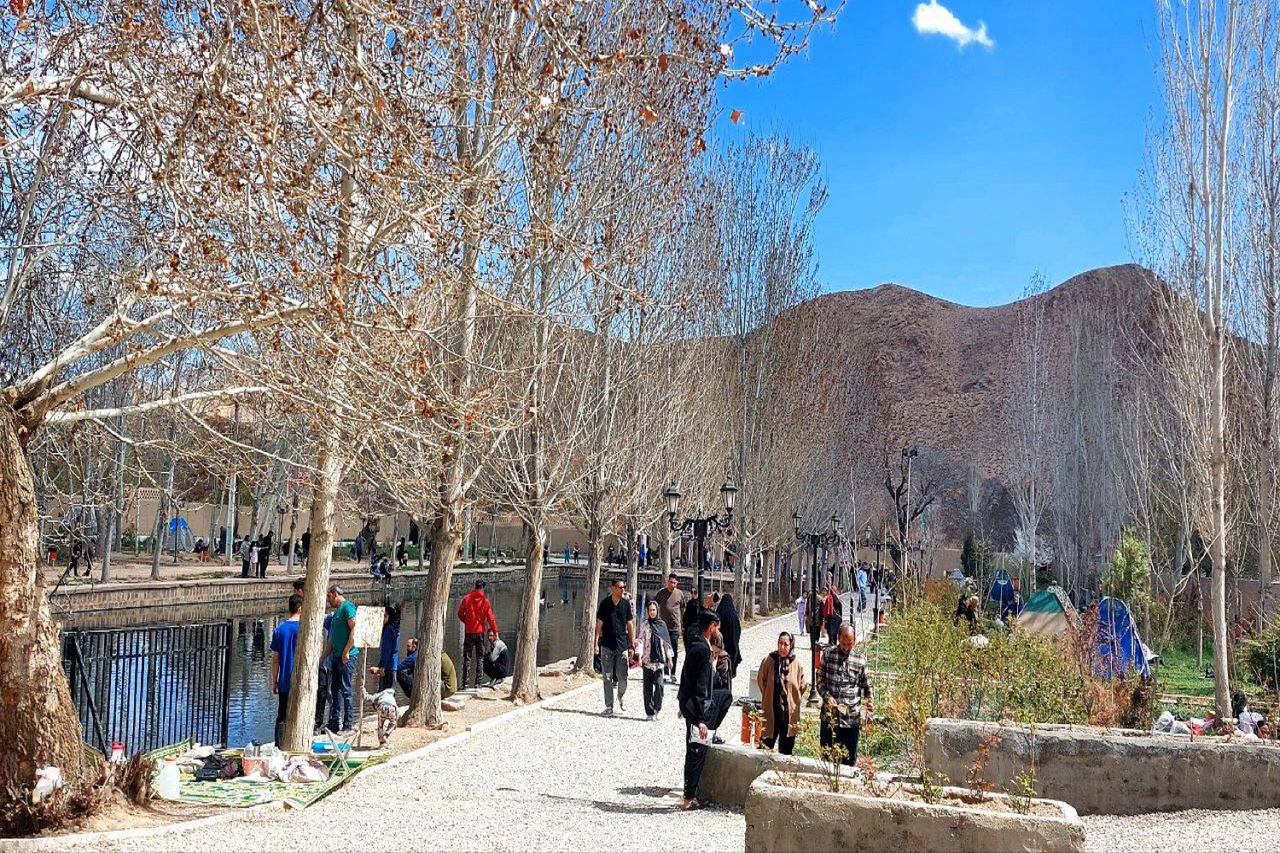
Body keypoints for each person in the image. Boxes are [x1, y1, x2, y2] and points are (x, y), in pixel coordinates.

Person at [677, 610, 732, 811]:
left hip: (689, 703)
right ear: (711, 627)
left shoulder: (697, 644)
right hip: (696, 707)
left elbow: (689, 678)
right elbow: (700, 685)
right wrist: (701, 719)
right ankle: (689, 798)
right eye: (717, 627)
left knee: (724, 696)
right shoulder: (702, 650)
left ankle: (689, 794)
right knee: (697, 750)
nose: (719, 631)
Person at [817, 623, 873, 766]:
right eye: (843, 643)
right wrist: (827, 697)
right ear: (838, 639)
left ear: (854, 641)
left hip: (851, 721)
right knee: (828, 760)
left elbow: (868, 688)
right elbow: (820, 681)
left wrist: (869, 709)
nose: (846, 647)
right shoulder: (828, 655)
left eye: (850, 644)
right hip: (830, 719)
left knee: (848, 762)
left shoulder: (859, 660)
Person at [758, 631, 806, 755]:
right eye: (780, 643)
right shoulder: (769, 660)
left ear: (791, 646)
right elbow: (761, 681)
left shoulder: (796, 664)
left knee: (786, 750)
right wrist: (768, 696)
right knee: (765, 746)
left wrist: (792, 700)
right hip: (771, 709)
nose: (782, 647)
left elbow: (802, 686)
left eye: (786, 644)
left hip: (788, 713)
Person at [594, 578, 635, 716]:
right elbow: (599, 624)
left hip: (622, 644)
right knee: (607, 676)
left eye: (624, 587)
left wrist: (632, 643)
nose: (623, 589)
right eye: (620, 587)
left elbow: (630, 625)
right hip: (607, 645)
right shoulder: (604, 604)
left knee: (623, 676)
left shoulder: (625, 604)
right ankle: (609, 706)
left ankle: (621, 695)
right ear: (613, 588)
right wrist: (596, 643)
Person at [323, 584, 359, 733]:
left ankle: (348, 724)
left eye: (329, 596)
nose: (328, 600)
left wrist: (346, 651)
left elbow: (355, 628)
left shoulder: (347, 607)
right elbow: (332, 639)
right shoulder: (337, 612)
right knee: (335, 690)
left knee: (346, 690)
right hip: (336, 655)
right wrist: (323, 657)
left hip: (346, 656)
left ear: (335, 594)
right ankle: (334, 723)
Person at [270, 594, 303, 744]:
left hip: (284, 679)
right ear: (300, 608)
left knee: (282, 714)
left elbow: (275, 659)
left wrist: (274, 681)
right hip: (301, 679)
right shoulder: (304, 628)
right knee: (300, 713)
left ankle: (279, 745)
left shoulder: (279, 630)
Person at [457, 580, 499, 689]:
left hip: (469, 632)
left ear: (474, 587)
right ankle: (478, 683)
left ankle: (465, 683)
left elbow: (460, 613)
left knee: (467, 657)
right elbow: (491, 618)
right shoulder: (485, 601)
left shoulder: (467, 599)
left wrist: (467, 621)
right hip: (480, 633)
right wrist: (495, 631)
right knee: (480, 657)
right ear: (482, 588)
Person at [635, 600, 673, 719]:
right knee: (647, 689)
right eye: (650, 610)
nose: (652, 612)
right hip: (647, 660)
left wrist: (669, 658)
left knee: (659, 686)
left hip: (659, 662)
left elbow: (666, 643)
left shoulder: (662, 625)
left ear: (657, 611)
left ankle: (657, 708)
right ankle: (649, 712)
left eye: (654, 610)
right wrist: (639, 656)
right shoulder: (645, 625)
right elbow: (640, 640)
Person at [654, 574, 689, 684]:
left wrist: (683, 625)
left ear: (676, 584)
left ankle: (673, 672)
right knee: (664, 650)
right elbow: (654, 605)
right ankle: (665, 672)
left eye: (674, 583)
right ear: (668, 582)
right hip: (663, 627)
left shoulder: (679, 594)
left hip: (675, 627)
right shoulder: (661, 593)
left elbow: (683, 609)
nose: (672, 585)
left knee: (673, 651)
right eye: (671, 582)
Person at [368, 604, 401, 691]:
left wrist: (382, 666)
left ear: (390, 617)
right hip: (393, 665)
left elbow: (387, 650)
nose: (382, 618)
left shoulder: (388, 629)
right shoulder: (395, 628)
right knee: (390, 692)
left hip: (388, 666)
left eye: (385, 616)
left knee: (385, 692)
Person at [716, 593, 743, 678]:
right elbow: (738, 630)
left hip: (722, 647)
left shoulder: (720, 612)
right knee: (730, 671)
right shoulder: (734, 615)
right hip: (733, 646)